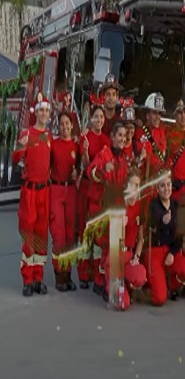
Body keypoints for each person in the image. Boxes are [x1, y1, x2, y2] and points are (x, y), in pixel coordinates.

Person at [12, 94, 53, 297]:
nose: (44, 114)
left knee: (41, 236)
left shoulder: (48, 136)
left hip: (44, 193)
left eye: (46, 110)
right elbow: (15, 158)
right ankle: (27, 279)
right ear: (35, 112)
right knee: (28, 234)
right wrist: (22, 144)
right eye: (41, 110)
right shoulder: (27, 134)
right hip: (29, 193)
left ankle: (38, 278)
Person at [86, 122, 131, 299]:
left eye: (124, 136)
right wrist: (103, 169)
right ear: (112, 137)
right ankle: (102, 283)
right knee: (103, 247)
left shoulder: (124, 158)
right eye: (119, 135)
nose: (122, 139)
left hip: (116, 209)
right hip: (101, 208)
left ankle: (101, 282)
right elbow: (91, 173)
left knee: (108, 248)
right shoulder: (104, 154)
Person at [76, 104, 110, 289]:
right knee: (85, 231)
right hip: (87, 189)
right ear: (92, 119)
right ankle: (83, 274)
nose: (99, 120)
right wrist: (87, 150)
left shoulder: (106, 140)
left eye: (101, 117)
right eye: (96, 117)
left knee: (98, 234)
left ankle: (97, 272)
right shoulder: (85, 137)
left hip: (100, 192)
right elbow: (86, 166)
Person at [145, 175, 185, 305]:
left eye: (168, 185)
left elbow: (180, 235)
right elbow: (148, 231)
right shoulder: (152, 206)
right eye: (162, 186)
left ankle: (173, 286)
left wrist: (172, 252)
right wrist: (161, 222)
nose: (166, 189)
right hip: (155, 250)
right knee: (159, 299)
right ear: (157, 189)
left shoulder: (175, 205)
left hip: (171, 250)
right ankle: (150, 287)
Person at [105, 169, 147, 311]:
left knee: (140, 275)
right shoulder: (118, 204)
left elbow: (141, 239)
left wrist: (137, 256)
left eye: (137, 185)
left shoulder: (140, 207)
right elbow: (110, 238)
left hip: (129, 255)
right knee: (123, 304)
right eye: (132, 184)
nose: (135, 188)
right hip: (116, 256)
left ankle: (126, 287)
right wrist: (118, 226)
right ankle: (114, 287)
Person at [50, 112, 80, 292]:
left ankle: (68, 273)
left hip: (71, 192)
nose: (64, 127)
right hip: (56, 190)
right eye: (61, 124)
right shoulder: (53, 145)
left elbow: (80, 166)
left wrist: (77, 173)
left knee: (70, 235)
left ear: (71, 125)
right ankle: (59, 274)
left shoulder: (76, 146)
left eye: (67, 123)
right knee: (59, 235)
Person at [168, 99, 185, 206]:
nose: (183, 116)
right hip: (175, 187)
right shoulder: (168, 133)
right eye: (179, 113)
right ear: (175, 116)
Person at [98, 73, 123, 138]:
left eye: (114, 94)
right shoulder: (97, 119)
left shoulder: (121, 120)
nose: (111, 98)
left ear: (117, 97)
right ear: (103, 97)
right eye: (108, 94)